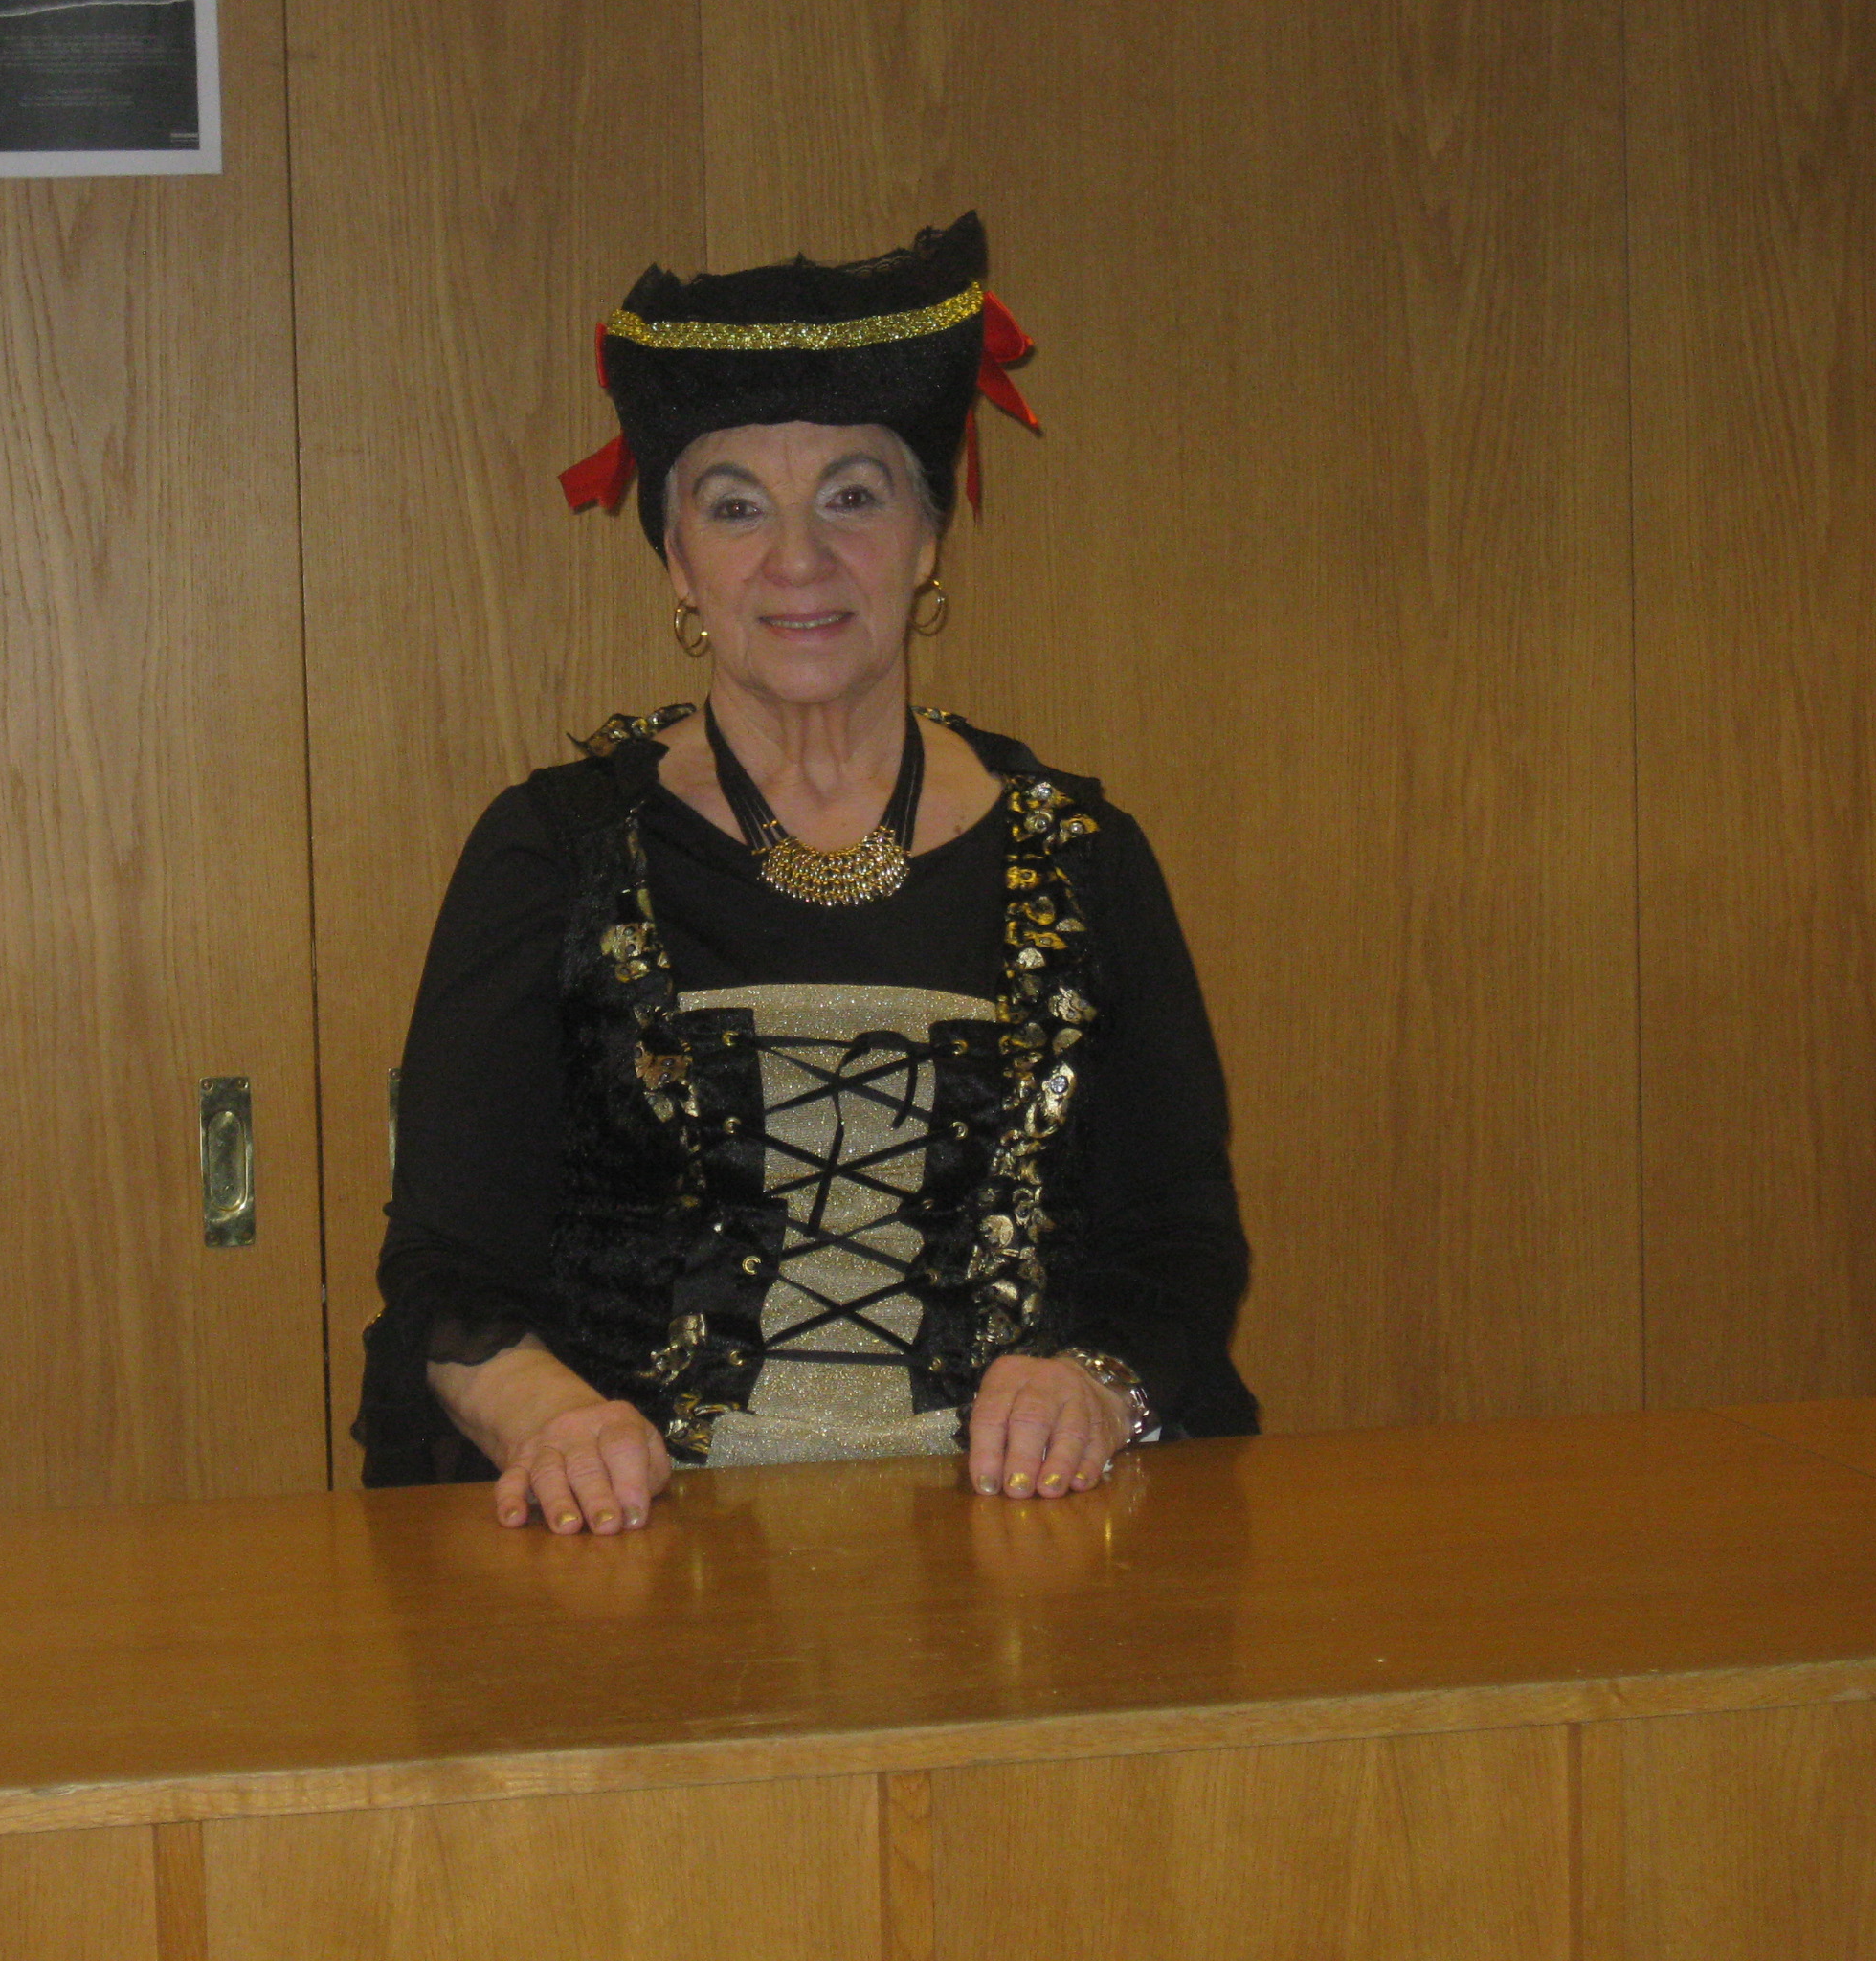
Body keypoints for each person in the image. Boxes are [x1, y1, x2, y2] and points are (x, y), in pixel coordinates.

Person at [356, 213, 1256, 1534]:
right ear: (677, 560)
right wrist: (551, 1420)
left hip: (1024, 1539)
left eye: (853, 496)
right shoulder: (553, 854)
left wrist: (1096, 1384)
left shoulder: (1082, 855)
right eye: (736, 508)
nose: (798, 560)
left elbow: (1179, 1239)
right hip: (640, 1551)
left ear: (928, 536)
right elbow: (446, 1266)